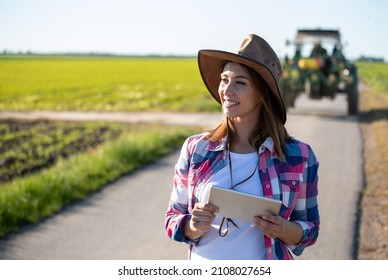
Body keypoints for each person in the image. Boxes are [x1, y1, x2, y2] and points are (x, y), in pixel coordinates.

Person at [165, 34, 320, 260]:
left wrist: (285, 230)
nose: (227, 90)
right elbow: (172, 220)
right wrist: (193, 226)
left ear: (261, 94)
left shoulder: (300, 156)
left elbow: (310, 230)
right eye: (224, 79)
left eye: (240, 82)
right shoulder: (196, 149)